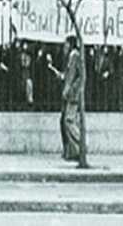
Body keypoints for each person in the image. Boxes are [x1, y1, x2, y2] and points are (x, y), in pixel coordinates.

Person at [48, 34, 82, 162]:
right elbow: (69, 76)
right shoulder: (72, 56)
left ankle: (80, 145)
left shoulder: (74, 56)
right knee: (64, 121)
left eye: (66, 44)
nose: (64, 47)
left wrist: (68, 90)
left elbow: (74, 76)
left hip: (71, 95)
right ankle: (72, 151)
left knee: (69, 121)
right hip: (69, 94)